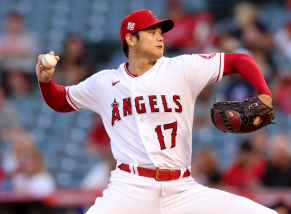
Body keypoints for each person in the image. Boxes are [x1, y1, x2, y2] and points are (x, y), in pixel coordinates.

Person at [36, 9, 276, 214]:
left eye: (160, 32)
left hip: (183, 189)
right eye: (151, 32)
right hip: (130, 188)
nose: (160, 37)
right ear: (131, 39)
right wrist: (46, 81)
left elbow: (239, 59)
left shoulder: (182, 68)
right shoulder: (104, 82)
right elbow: (61, 101)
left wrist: (264, 92)